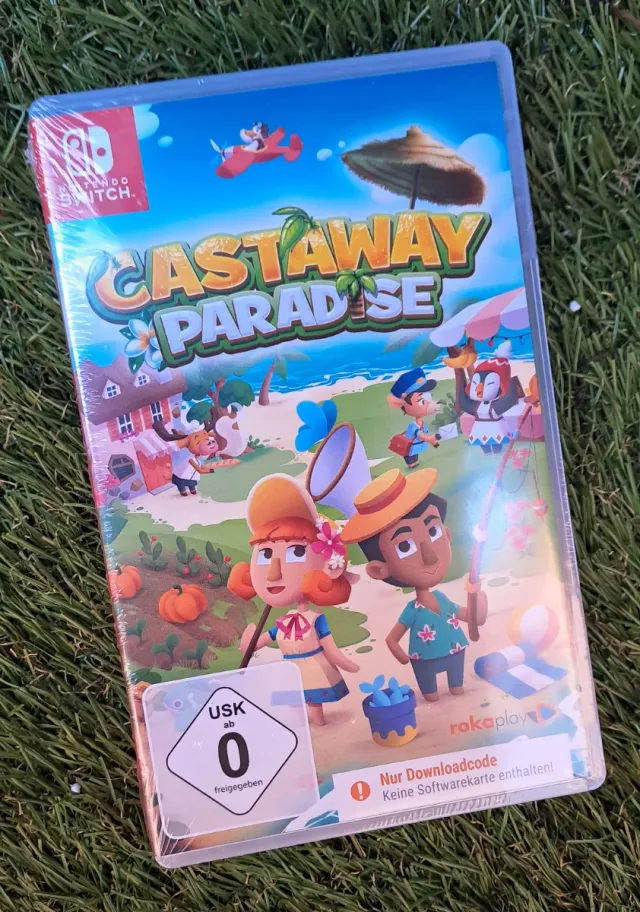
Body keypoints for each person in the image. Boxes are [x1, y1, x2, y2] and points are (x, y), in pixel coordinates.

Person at [342, 468, 487, 702]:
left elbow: (472, 617)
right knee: (431, 695)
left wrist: (478, 597)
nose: (430, 556)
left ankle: (455, 688)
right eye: (404, 546)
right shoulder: (413, 610)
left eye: (433, 531)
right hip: (424, 659)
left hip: (455, 651)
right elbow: (392, 638)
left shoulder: (443, 601)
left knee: (457, 690)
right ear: (379, 569)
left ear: (447, 535)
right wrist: (402, 656)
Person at [228, 474, 359, 725]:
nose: (274, 573)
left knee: (314, 702)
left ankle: (318, 722)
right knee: (295, 704)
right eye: (266, 554)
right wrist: (249, 642)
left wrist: (344, 663)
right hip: (291, 671)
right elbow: (264, 640)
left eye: (297, 551)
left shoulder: (315, 619)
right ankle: (304, 725)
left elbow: (329, 647)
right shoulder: (284, 623)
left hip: (314, 668)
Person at [388, 369, 440, 468]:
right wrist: (434, 438)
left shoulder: (422, 424)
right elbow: (423, 436)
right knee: (412, 462)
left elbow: (425, 435)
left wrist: (434, 443)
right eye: (422, 401)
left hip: (415, 448)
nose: (429, 404)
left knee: (415, 460)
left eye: (429, 397)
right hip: (408, 449)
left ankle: (414, 464)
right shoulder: (413, 426)